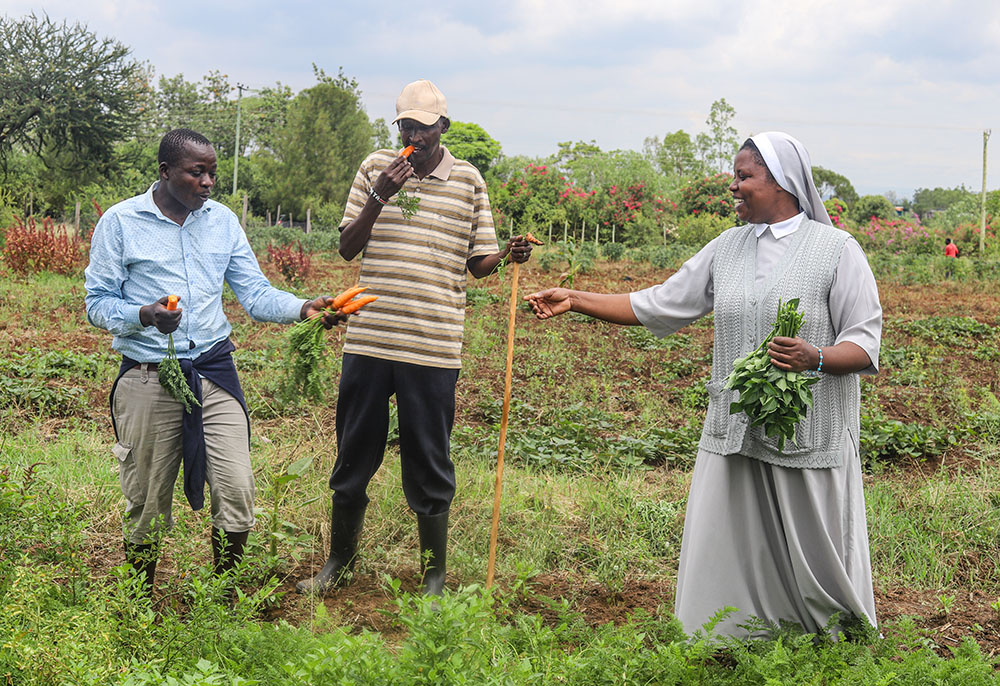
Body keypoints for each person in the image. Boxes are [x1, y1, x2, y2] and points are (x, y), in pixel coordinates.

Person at [526, 132, 882, 638]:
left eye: (744, 177)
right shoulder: (728, 248)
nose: (733, 187)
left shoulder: (836, 251)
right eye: (734, 176)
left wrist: (816, 357)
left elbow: (865, 345)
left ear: (781, 183)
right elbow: (658, 302)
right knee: (731, 541)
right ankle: (734, 635)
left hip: (809, 432)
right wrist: (576, 299)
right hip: (736, 426)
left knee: (814, 550)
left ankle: (831, 636)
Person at [296, 79, 533, 597]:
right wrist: (382, 194)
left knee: (429, 459)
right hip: (370, 340)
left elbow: (478, 264)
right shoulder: (373, 169)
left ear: (442, 127)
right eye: (405, 125)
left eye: (423, 128)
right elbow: (346, 248)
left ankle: (434, 576)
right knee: (353, 454)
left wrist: (506, 255)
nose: (412, 136)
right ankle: (340, 561)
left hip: (432, 344)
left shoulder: (469, 180)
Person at [85, 128, 343, 597]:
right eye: (196, 172)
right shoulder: (121, 223)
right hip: (149, 375)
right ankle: (139, 600)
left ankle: (223, 598)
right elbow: (97, 304)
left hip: (213, 371)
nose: (208, 183)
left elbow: (256, 293)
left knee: (237, 487)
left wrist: (304, 307)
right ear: (166, 173)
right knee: (145, 498)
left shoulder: (222, 221)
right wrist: (145, 315)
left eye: (212, 173)